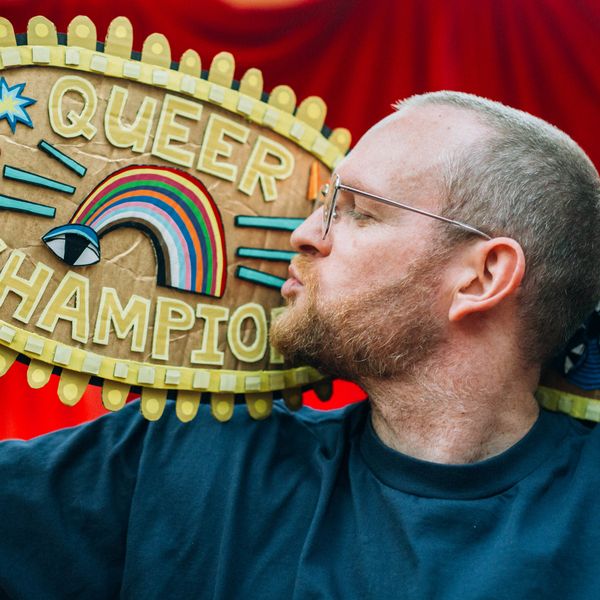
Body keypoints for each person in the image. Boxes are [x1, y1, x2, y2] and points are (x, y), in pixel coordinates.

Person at [1, 91, 599, 599]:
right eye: (321, 205)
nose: (304, 234)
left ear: (482, 277)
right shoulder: (193, 456)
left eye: (357, 211)